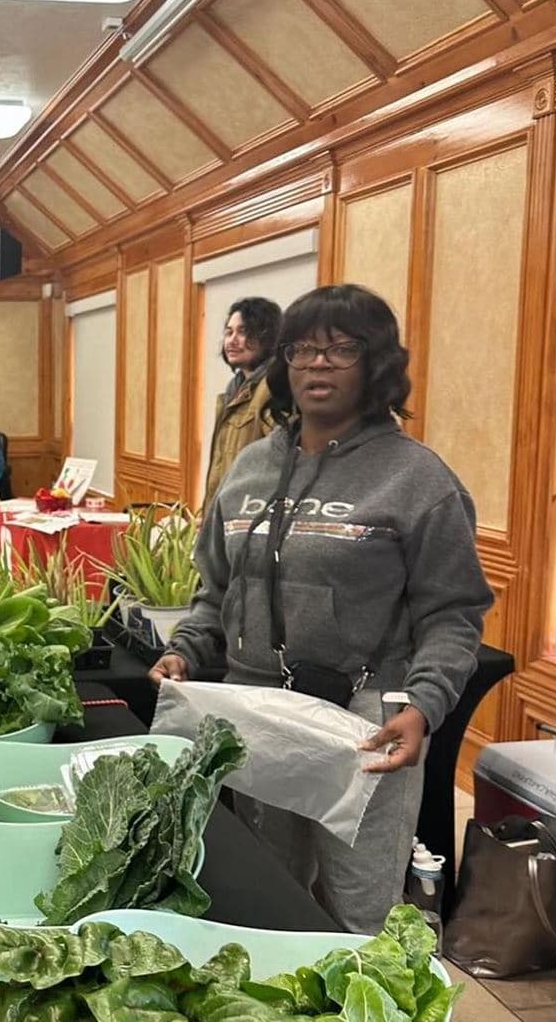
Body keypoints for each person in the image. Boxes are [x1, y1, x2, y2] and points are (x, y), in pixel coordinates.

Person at [150, 284, 492, 934]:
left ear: (378, 364)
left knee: (357, 911)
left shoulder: (416, 479)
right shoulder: (250, 468)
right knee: (268, 895)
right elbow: (215, 590)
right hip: (261, 712)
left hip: (365, 726)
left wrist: (423, 703)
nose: (318, 365)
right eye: (304, 350)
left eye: (341, 350)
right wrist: (186, 648)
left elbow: (453, 614)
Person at [203, 296, 282, 514]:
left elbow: (279, 466)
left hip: (251, 518)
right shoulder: (234, 390)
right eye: (229, 332)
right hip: (225, 515)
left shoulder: (276, 388)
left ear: (267, 337)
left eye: (243, 332)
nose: (232, 340)